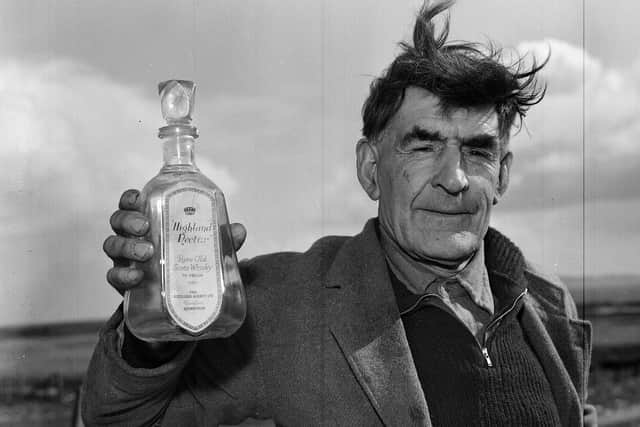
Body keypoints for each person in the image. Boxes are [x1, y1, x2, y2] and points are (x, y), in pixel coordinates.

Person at [82, 1, 595, 426]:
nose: (454, 178)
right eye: (423, 146)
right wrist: (150, 332)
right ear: (371, 168)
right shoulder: (281, 305)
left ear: (502, 175)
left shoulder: (549, 302)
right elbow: (121, 419)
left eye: (478, 151)